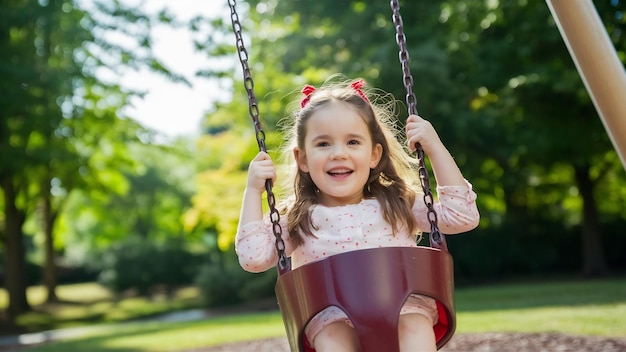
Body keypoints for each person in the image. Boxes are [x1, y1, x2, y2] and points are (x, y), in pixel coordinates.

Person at [235, 77, 480, 352]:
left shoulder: (397, 201)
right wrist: (252, 191)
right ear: (302, 159)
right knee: (334, 338)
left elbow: (463, 216)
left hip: (403, 308)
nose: (339, 153)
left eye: (352, 142)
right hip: (331, 317)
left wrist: (434, 148)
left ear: (374, 154)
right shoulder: (297, 217)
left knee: (414, 326)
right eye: (323, 144)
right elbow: (253, 257)